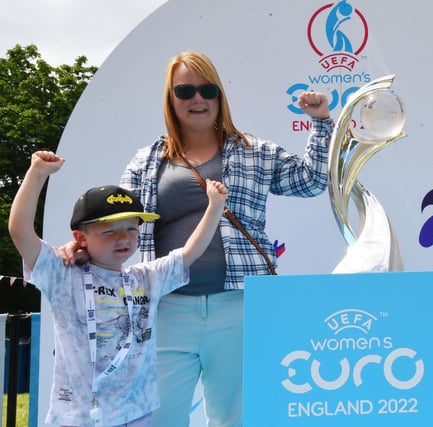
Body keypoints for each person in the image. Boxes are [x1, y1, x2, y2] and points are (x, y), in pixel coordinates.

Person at [61, 51, 333, 426]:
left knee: (233, 419)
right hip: (167, 308)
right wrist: (81, 247)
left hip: (238, 304)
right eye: (185, 91)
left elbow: (312, 181)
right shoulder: (146, 161)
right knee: (159, 418)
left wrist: (320, 123)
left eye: (207, 89)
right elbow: (119, 223)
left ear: (220, 96)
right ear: (170, 100)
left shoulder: (255, 151)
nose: (198, 99)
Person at [9, 150, 228, 427]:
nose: (123, 238)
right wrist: (37, 174)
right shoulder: (63, 274)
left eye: (131, 229)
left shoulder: (146, 277)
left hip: (136, 413)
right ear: (80, 237)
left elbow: (189, 252)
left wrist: (214, 207)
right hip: (77, 416)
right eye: (109, 231)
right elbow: (20, 231)